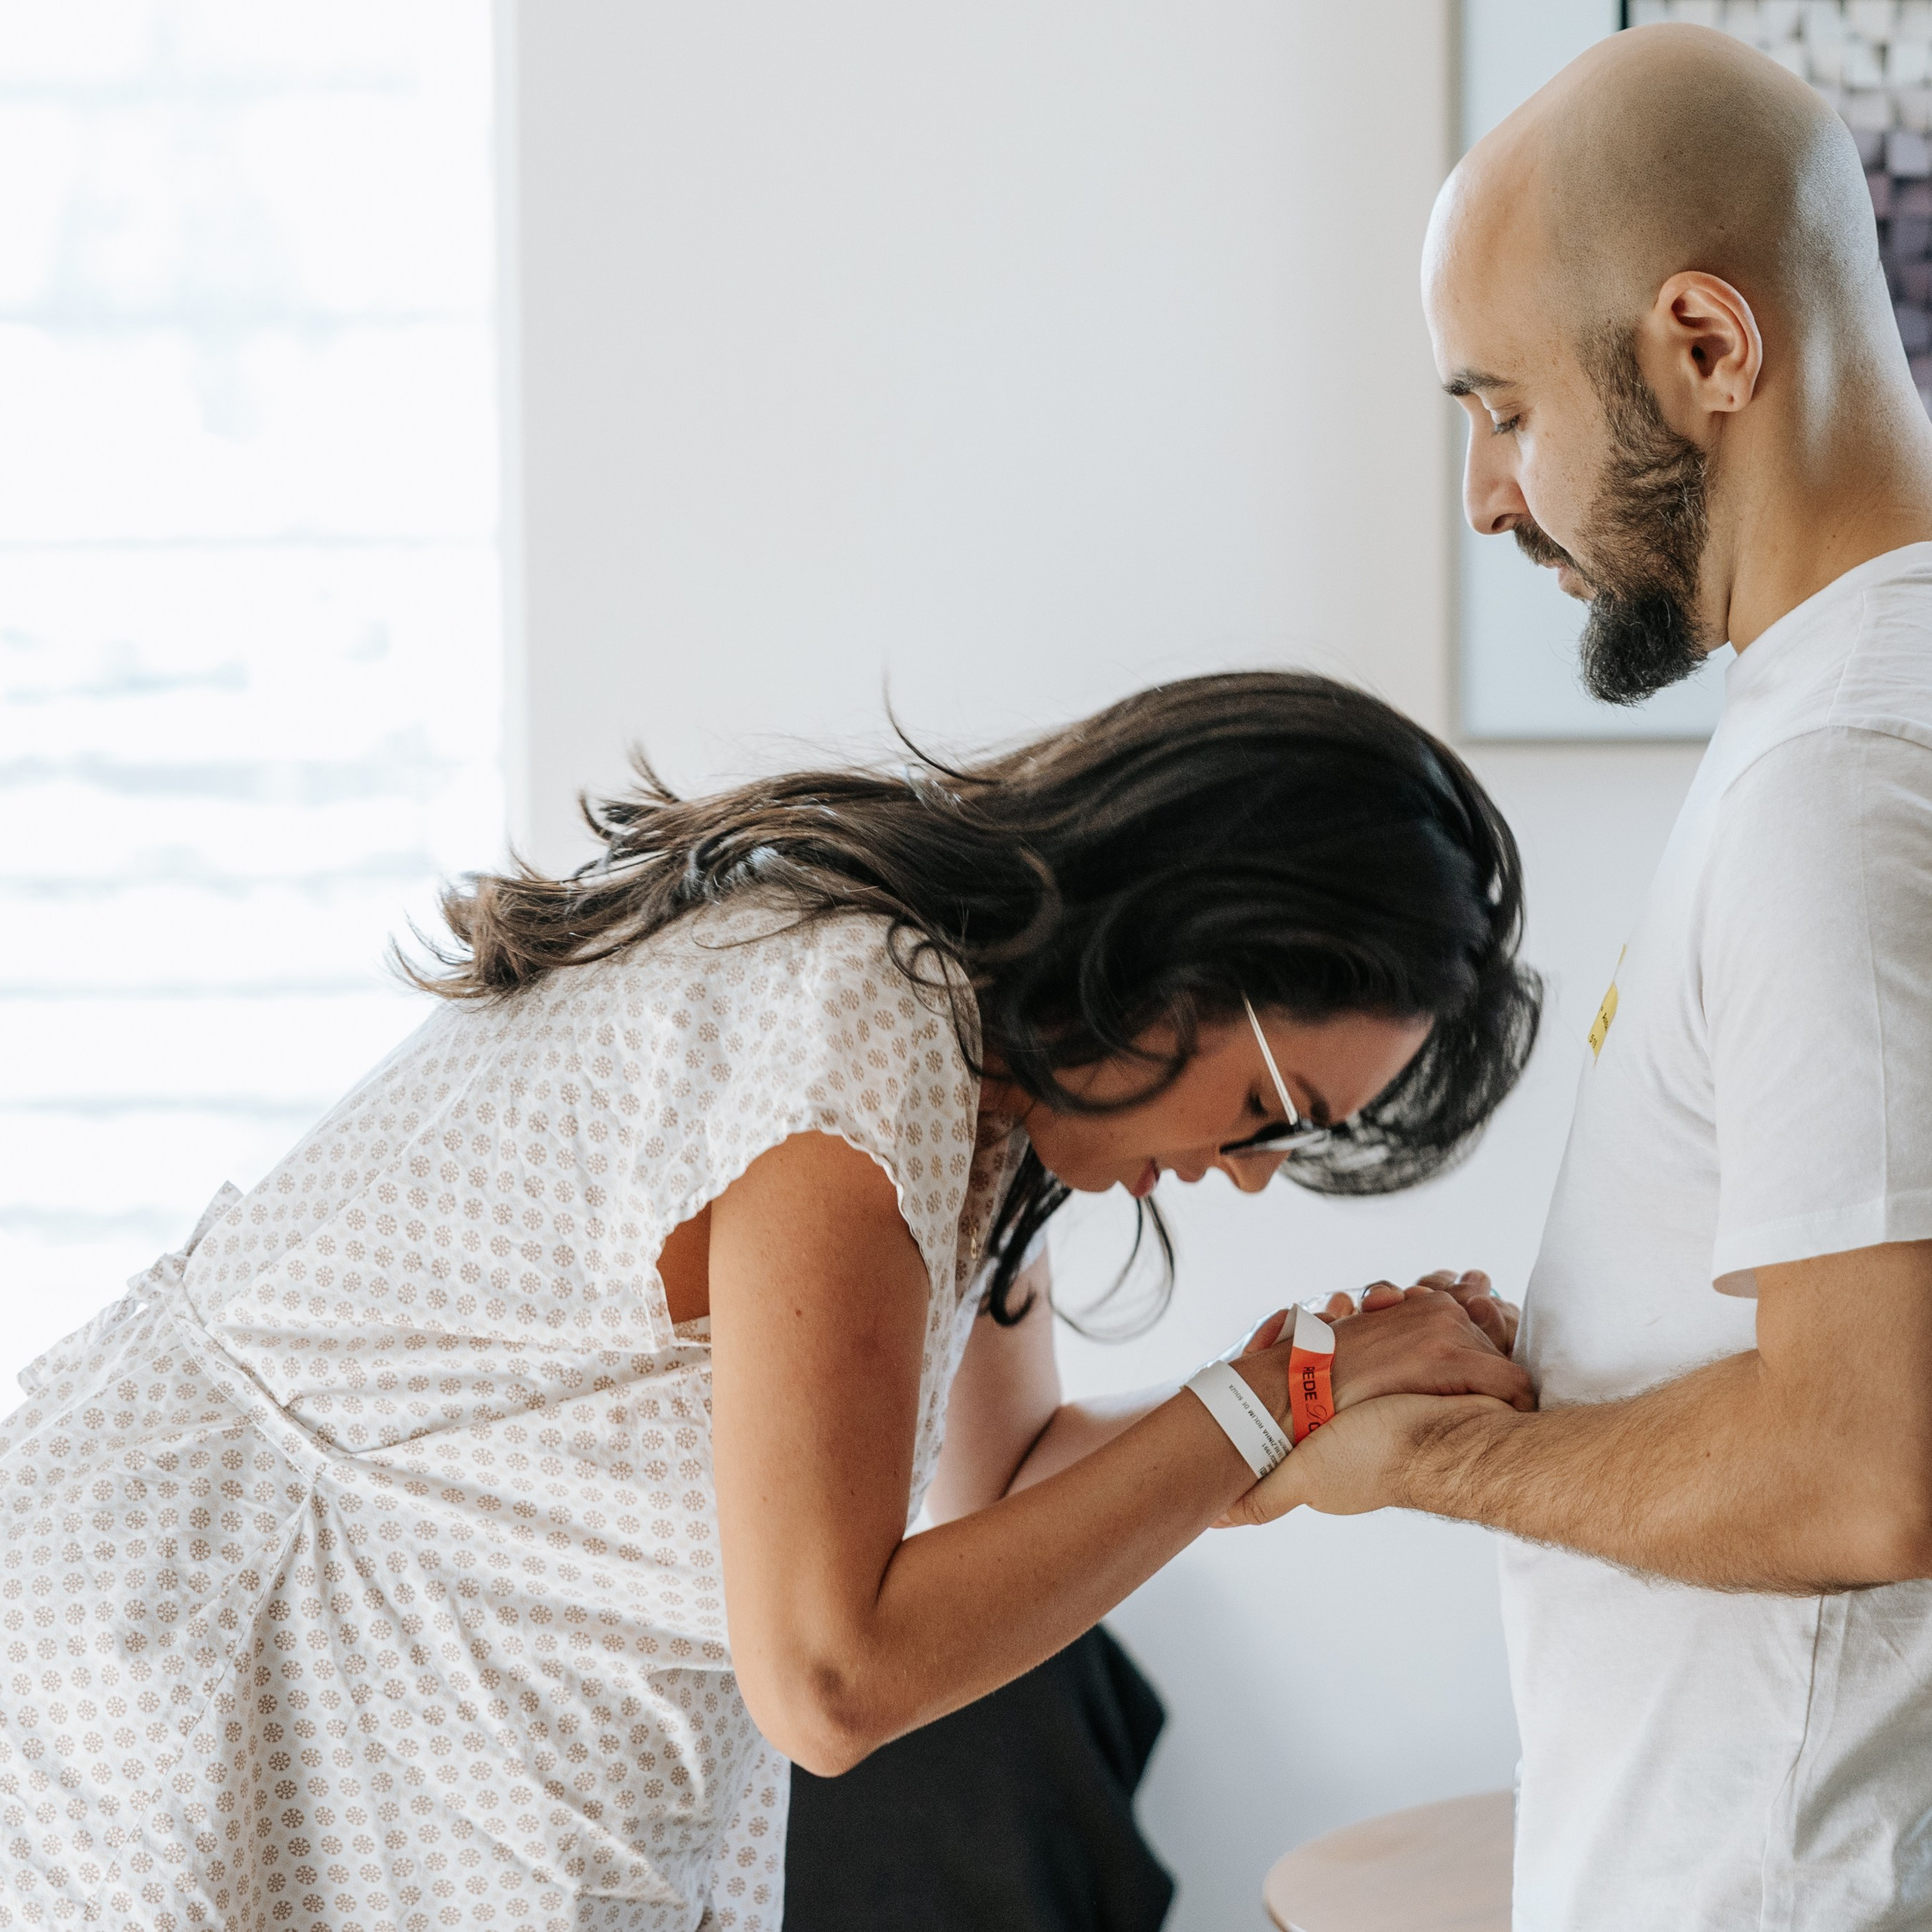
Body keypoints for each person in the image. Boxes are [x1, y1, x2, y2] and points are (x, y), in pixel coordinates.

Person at [0, 672, 1537, 1931]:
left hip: (426, 1671)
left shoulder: (986, 1089)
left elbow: (996, 1484)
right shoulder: (862, 1028)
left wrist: (1307, 1406)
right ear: (1185, 939)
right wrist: (1264, 1402)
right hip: (225, 1641)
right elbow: (831, 1673)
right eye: (1270, 1106)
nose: (1251, 1174)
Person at [1232, 22, 1932, 1930]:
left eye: (1501, 409)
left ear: (1704, 349)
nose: (1482, 497)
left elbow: (1858, 1461)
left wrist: (1436, 1457)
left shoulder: (1835, 784)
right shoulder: (1847, 718)